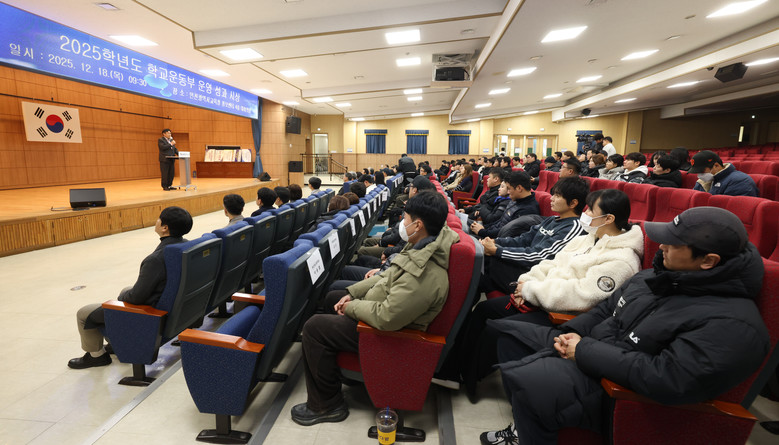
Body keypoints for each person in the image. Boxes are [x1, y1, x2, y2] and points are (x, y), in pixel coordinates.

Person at [481, 206, 769, 445]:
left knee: (530, 383)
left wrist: (583, 351)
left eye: (673, 244)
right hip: (596, 353)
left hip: (622, 392)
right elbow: (606, 309)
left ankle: (531, 430)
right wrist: (572, 333)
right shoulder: (656, 277)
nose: (662, 247)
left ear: (708, 261)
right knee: (509, 335)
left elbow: (668, 378)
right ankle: (524, 426)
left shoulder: (733, 323)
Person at [447, 189, 643, 397]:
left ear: (609, 218)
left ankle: (469, 378)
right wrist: (525, 283)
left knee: (494, 329)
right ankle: (452, 369)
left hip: (562, 315)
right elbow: (551, 264)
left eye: (590, 211)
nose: (585, 214)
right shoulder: (588, 238)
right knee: (484, 310)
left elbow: (582, 296)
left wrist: (531, 291)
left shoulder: (622, 260)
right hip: (539, 297)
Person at [291, 191, 459, 426]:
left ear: (418, 225)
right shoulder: (423, 245)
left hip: (391, 337)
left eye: (406, 218)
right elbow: (388, 276)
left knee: (314, 328)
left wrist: (352, 307)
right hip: (383, 311)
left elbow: (387, 317)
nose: (402, 223)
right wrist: (352, 294)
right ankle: (335, 369)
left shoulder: (426, 273)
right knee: (334, 297)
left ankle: (326, 405)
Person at [68, 207, 194, 369]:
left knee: (84, 313)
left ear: (164, 228)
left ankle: (96, 356)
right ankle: (116, 344)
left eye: (159, 219)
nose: (156, 221)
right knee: (125, 290)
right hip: (177, 310)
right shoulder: (186, 246)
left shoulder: (156, 260)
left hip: (154, 316)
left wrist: (121, 299)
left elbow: (136, 298)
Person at [479, 176, 587, 294]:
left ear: (573, 203)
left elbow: (540, 255)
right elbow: (524, 239)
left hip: (533, 276)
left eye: (557, 196)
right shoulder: (551, 219)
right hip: (523, 265)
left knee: (485, 264)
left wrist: (497, 251)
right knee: (480, 259)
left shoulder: (574, 227)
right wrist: (495, 242)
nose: (551, 198)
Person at [471, 171, 539, 239]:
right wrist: (483, 228)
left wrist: (482, 232)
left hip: (494, 240)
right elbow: (500, 222)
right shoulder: (515, 200)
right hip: (489, 234)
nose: (508, 192)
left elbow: (507, 233)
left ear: (519, 188)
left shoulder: (528, 210)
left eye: (509, 188)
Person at [690, 150, 758, 197]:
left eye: (702, 171)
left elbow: (733, 208)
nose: (699, 175)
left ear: (716, 165)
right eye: (697, 172)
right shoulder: (702, 182)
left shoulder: (740, 181)